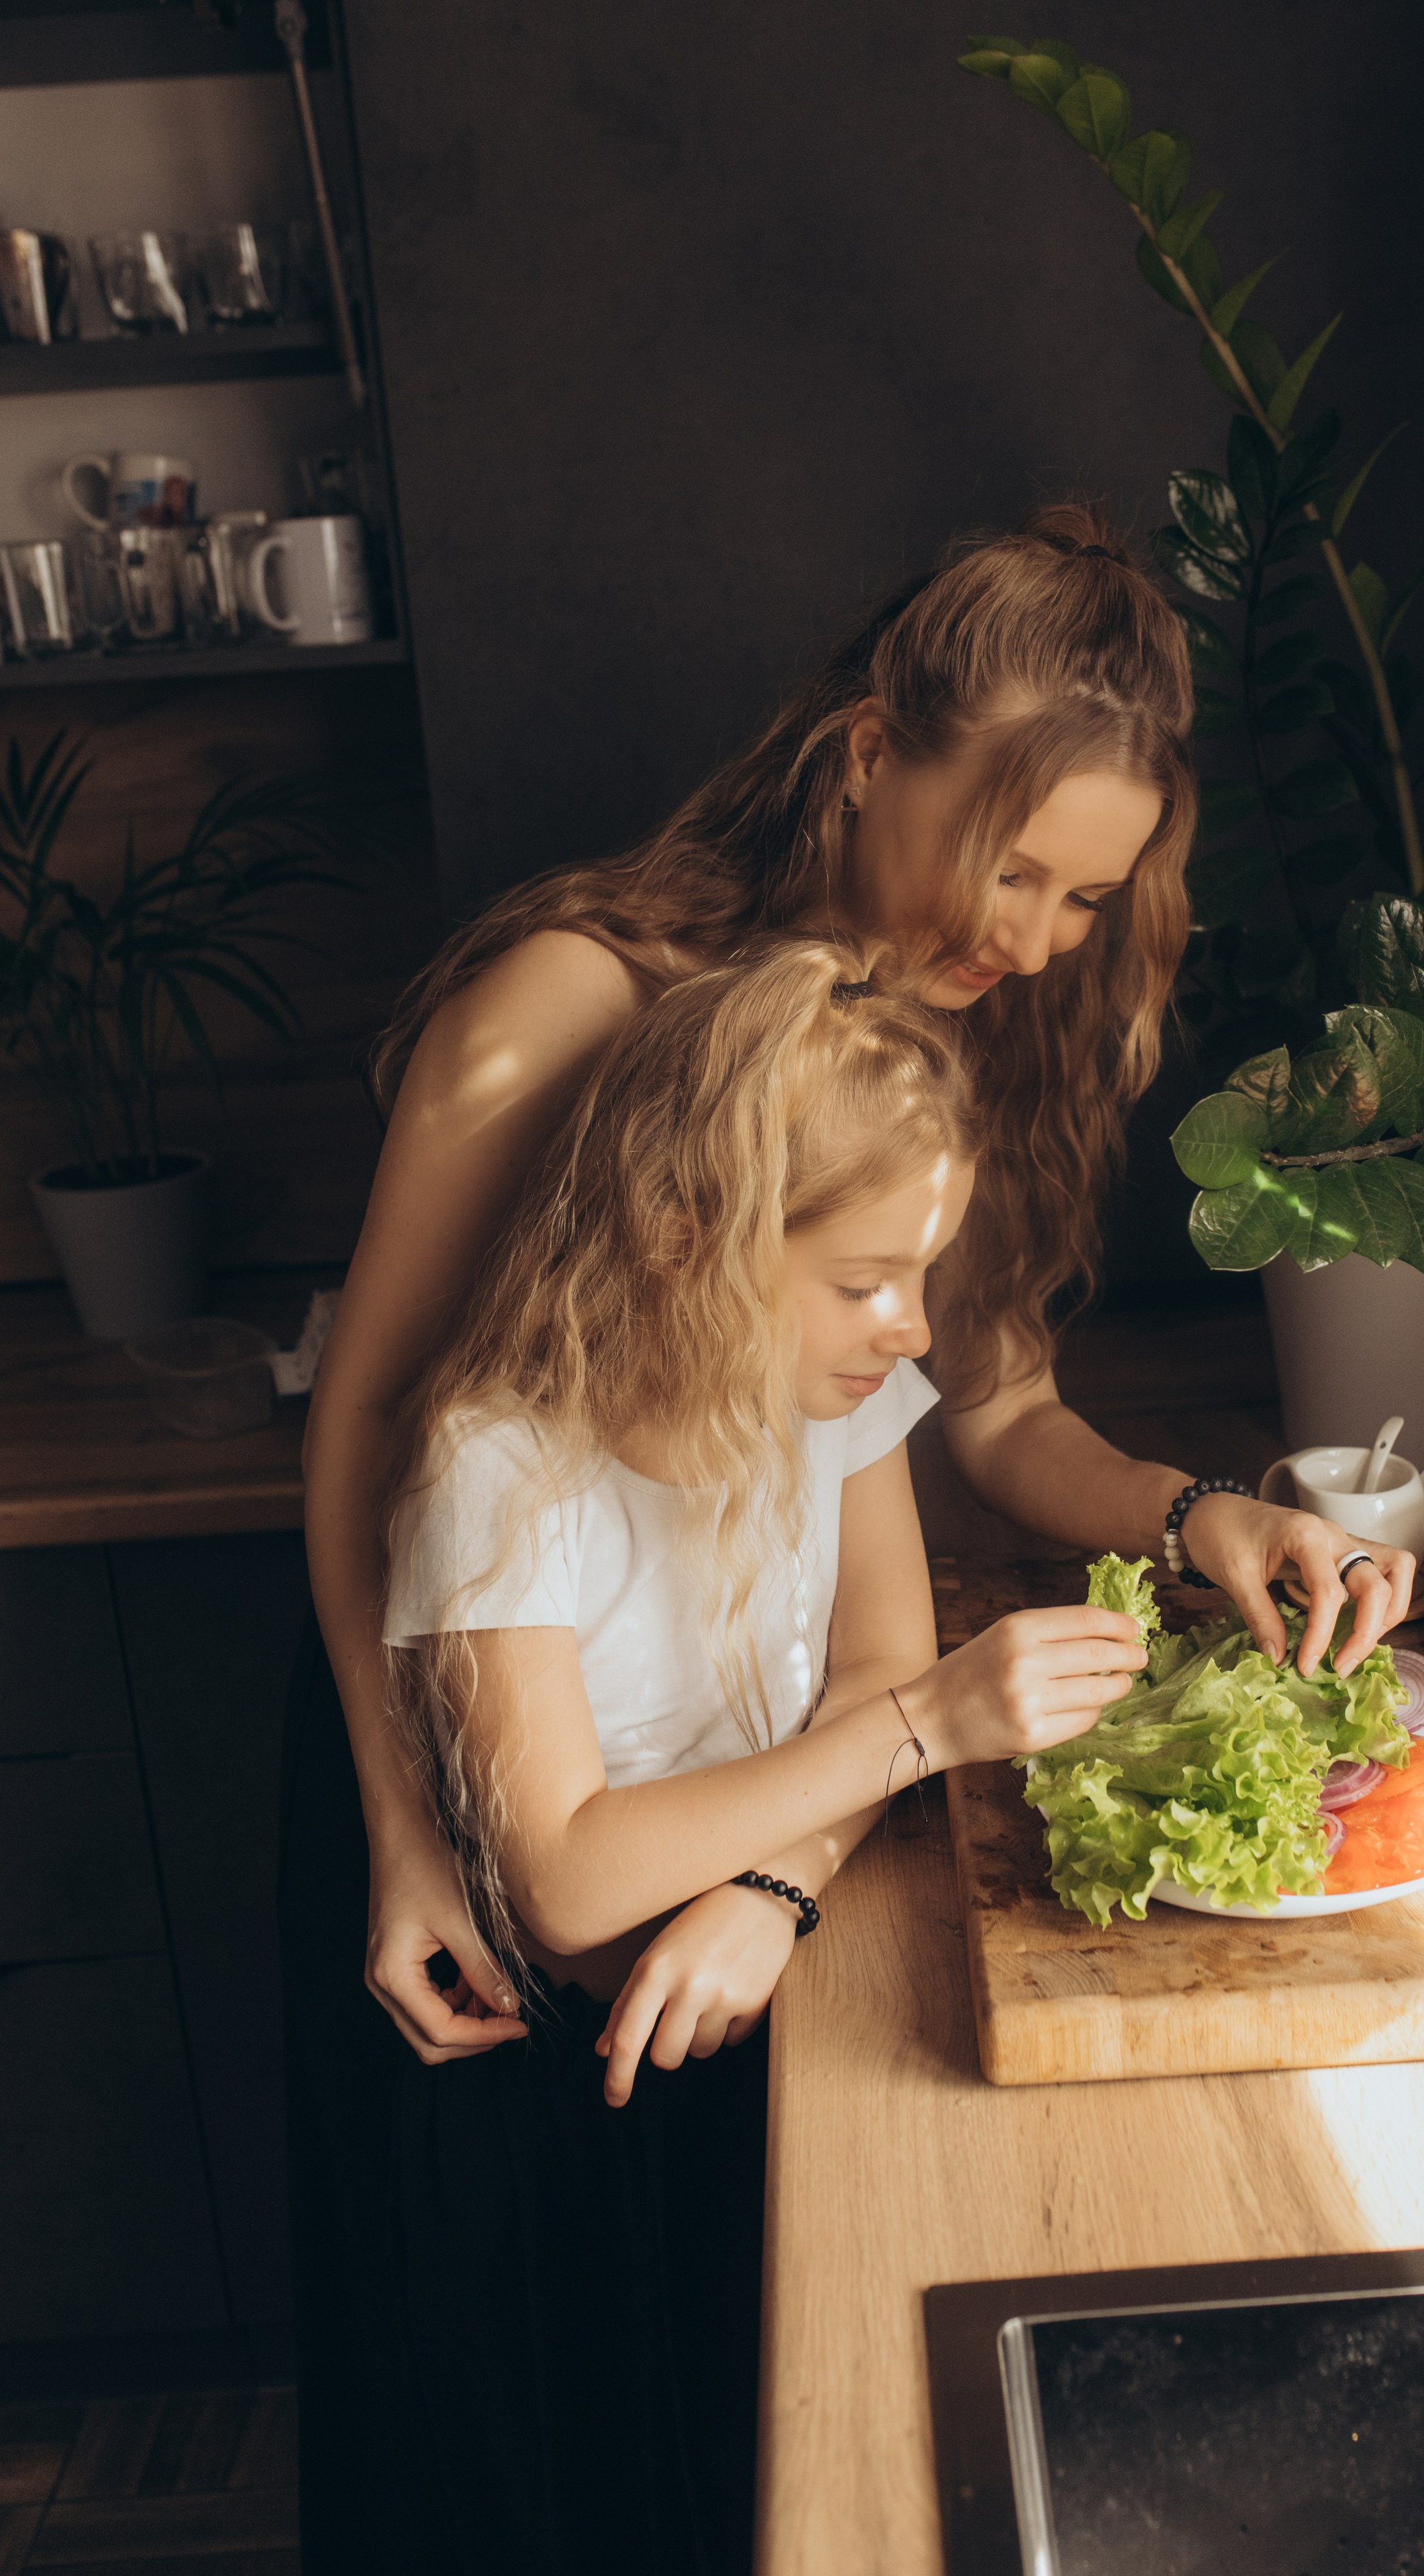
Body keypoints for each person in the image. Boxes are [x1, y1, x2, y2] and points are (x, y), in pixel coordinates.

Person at [278, 501, 1415, 2556]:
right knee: (490, 2402)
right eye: (1018, 864)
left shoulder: (944, 1041)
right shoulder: (574, 999)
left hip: (715, 1781)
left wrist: (1196, 1517)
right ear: (872, 753)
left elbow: (985, 1413)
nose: (1046, 936)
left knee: (701, 2402)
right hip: (465, 1733)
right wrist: (401, 1827)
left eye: (1090, 895)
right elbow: (372, 1426)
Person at [297, 938, 1152, 2571]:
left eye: (923, 1274)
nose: (910, 1331)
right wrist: (924, 1734)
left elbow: (881, 1651)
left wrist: (775, 1882)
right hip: (559, 2082)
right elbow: (565, 1874)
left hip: (756, 1995)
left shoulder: (823, 1399)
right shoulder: (497, 1464)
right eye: (862, 1282)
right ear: (688, 1238)